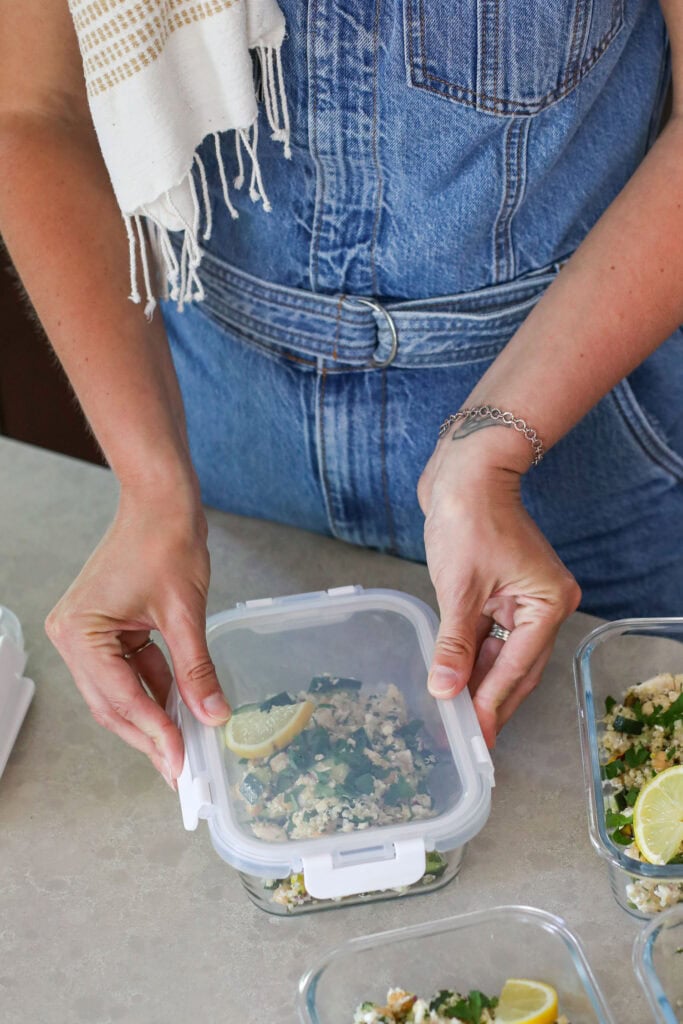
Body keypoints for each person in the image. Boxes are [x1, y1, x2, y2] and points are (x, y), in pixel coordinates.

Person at [1, 0, 682, 791]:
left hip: (578, 426)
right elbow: (32, 109)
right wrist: (151, 486)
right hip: (225, 427)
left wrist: (492, 446)